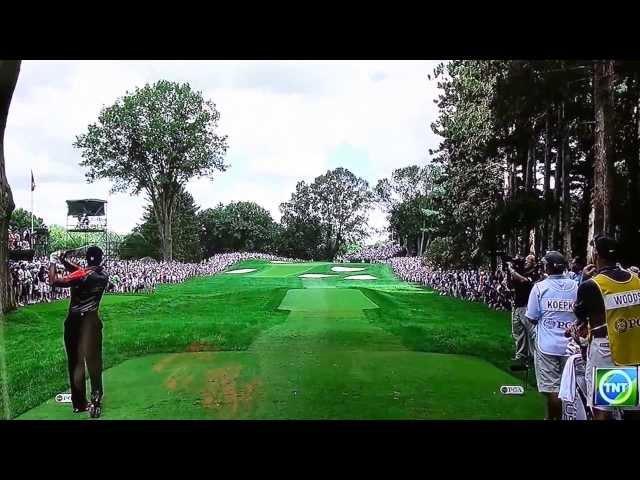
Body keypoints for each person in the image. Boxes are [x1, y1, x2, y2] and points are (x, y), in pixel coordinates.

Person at [573, 235, 640, 420]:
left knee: (602, 411)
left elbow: (579, 313)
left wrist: (582, 279)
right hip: (632, 349)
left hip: (606, 351)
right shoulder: (636, 280)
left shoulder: (591, 285)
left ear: (595, 255)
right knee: (631, 406)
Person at [49, 246, 109, 418]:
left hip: (75, 322)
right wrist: (63, 260)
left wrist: (53, 261)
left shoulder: (81, 275)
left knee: (76, 362)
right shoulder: (103, 276)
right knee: (94, 361)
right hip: (92, 322)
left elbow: (53, 281)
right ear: (100, 259)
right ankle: (96, 399)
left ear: (87, 258)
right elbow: (81, 271)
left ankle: (79, 404)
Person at [525, 251, 578, 420]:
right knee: (570, 387)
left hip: (547, 345)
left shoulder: (540, 287)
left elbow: (531, 317)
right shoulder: (576, 286)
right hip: (571, 346)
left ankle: (553, 418)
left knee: (553, 389)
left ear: (548, 267)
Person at [507, 254, 540, 368]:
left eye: (529, 260)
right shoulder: (521, 271)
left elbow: (524, 281)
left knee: (531, 333)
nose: (526, 261)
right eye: (525, 259)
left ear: (534, 263)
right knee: (518, 331)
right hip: (517, 304)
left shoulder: (535, 273)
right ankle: (521, 355)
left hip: (527, 306)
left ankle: (534, 356)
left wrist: (511, 270)